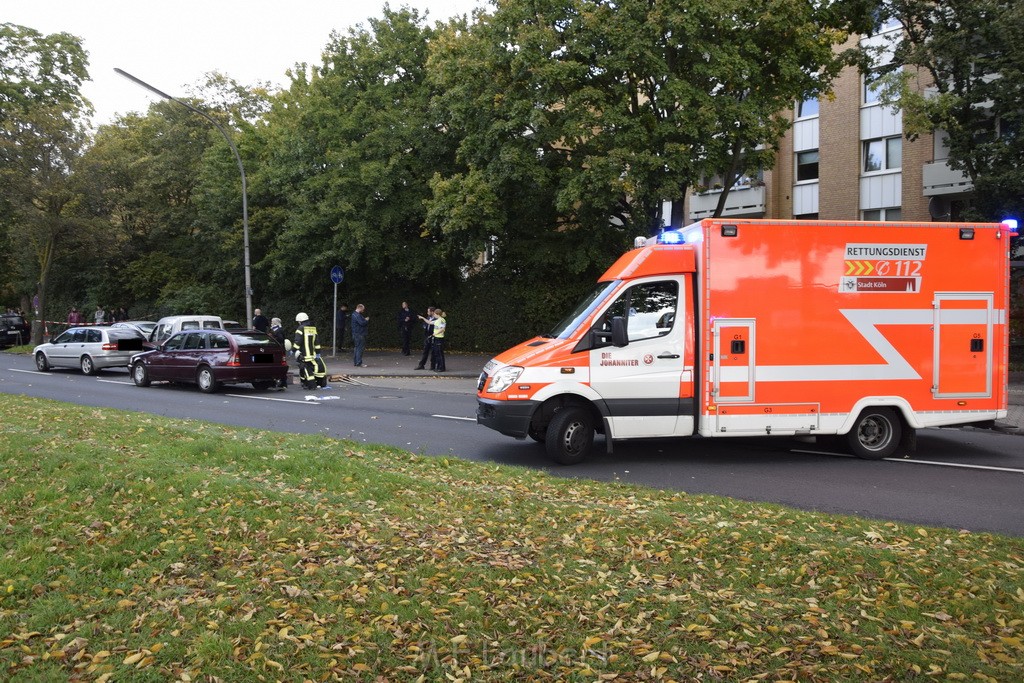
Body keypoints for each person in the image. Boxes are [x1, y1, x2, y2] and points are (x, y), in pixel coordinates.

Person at [292, 312, 327, 389]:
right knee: (314, 368)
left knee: (306, 369)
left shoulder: (300, 328)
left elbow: (298, 341)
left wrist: (293, 350)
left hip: (304, 354)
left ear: (300, 321)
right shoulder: (313, 328)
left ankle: (310, 385)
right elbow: (317, 342)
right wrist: (318, 352)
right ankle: (318, 383)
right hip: (313, 354)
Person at [269, 317, 288, 388]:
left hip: (278, 350)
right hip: (275, 350)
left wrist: (273, 338)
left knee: (279, 366)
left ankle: (283, 382)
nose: (271, 323)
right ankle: (273, 382)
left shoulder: (279, 330)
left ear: (275, 322)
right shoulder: (274, 329)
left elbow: (281, 339)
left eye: (272, 322)